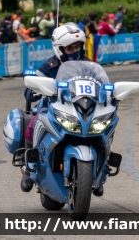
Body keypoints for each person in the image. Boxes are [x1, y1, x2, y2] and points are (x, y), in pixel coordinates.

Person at [21, 23, 100, 194]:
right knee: (32, 124)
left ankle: (102, 167)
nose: (75, 51)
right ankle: (29, 167)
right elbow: (29, 91)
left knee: (105, 124)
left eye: (77, 46)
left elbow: (101, 85)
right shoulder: (48, 67)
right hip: (51, 108)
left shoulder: (90, 66)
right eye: (70, 48)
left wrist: (110, 94)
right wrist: (33, 92)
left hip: (82, 109)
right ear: (59, 49)